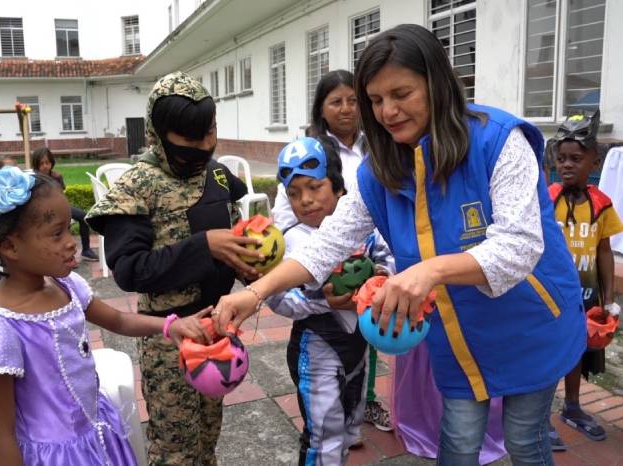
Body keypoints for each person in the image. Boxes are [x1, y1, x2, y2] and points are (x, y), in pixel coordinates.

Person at [213, 24, 585, 466]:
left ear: (437, 84)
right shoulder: (381, 170)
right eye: (375, 99)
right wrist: (254, 295)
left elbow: (519, 247)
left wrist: (428, 271)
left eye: (401, 93)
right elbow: (325, 246)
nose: (387, 111)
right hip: (458, 329)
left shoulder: (500, 142)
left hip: (528, 321)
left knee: (524, 439)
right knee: (459, 442)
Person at [0, 166, 211, 465]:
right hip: (54, 457)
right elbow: (2, 435)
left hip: (95, 434)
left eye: (69, 229)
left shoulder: (66, 286)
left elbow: (119, 320)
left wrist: (171, 326)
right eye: (56, 233)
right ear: (10, 246)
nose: (71, 242)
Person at [85, 71, 261, 465]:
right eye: (190, 140)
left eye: (209, 133)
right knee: (176, 447)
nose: (203, 147)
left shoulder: (217, 175)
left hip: (217, 330)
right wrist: (205, 247)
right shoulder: (136, 187)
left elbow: (234, 232)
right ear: (158, 134)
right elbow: (130, 271)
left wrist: (248, 263)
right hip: (169, 340)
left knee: (208, 436)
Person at [273, 69, 393, 433]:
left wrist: (380, 282)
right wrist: (328, 302)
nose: (305, 200)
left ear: (340, 190)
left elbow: (388, 259)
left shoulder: (367, 230)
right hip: (317, 341)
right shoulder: (295, 242)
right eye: (295, 193)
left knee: (350, 421)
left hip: (359, 340)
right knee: (322, 433)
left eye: (315, 188)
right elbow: (281, 299)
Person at [547, 111, 622, 449]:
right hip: (550, 297)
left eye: (576, 158)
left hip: (586, 299)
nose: (567, 165)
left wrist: (608, 300)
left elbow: (604, 253)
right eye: (561, 158)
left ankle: (573, 407)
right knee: (547, 353)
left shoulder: (601, 205)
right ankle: (539, 415)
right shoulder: (547, 200)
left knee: (577, 351)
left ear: (594, 161)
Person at [31, 147, 99, 262]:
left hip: (59, 208)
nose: (44, 166)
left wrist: (64, 212)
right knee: (60, 226)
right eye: (41, 163)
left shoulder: (57, 177)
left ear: (51, 162)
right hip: (43, 211)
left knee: (83, 216)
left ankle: (86, 250)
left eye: (47, 162)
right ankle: (63, 257)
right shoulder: (34, 179)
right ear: (36, 165)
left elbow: (61, 197)